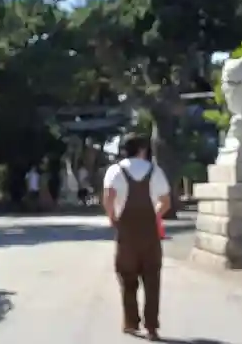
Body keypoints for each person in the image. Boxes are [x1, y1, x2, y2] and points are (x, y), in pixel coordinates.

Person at [102, 133, 171, 341]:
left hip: (126, 231)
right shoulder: (154, 170)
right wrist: (155, 215)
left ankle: (131, 323)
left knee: (127, 277)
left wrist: (113, 217)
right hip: (149, 232)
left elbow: (108, 198)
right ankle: (151, 327)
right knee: (152, 278)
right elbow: (165, 201)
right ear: (142, 150)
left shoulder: (114, 171)